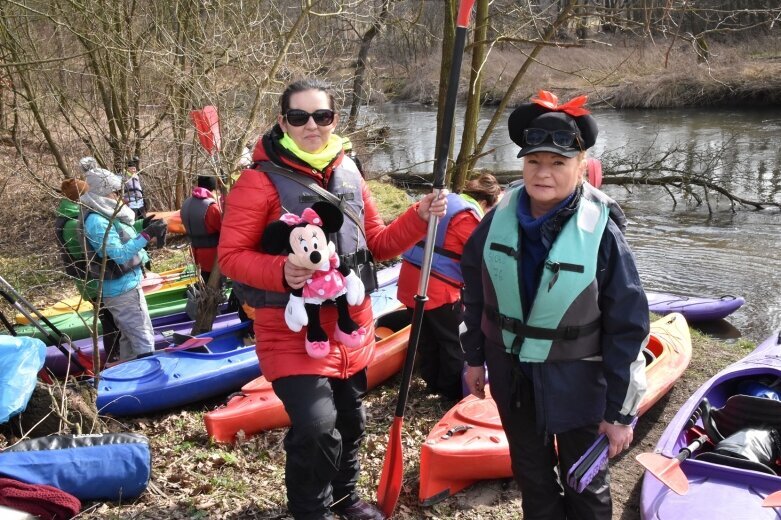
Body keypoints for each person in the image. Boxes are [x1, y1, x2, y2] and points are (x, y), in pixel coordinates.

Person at [218, 78, 447, 520]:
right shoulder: (257, 182)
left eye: (321, 116)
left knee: (351, 422)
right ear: (283, 121)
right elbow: (230, 257)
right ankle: (311, 510)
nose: (311, 125)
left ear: (334, 120)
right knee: (317, 425)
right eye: (299, 116)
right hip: (290, 331)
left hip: (350, 325)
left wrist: (417, 218)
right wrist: (280, 270)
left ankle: (344, 497)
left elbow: (377, 244)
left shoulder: (349, 172)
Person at [460, 90, 649, 520]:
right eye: (533, 162)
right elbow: (472, 292)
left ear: (581, 167)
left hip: (579, 385)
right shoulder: (497, 219)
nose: (543, 174)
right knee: (533, 480)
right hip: (512, 378)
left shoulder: (602, 234)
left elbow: (628, 326)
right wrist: (473, 360)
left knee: (585, 486)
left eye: (558, 164)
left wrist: (620, 412)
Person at [396, 173, 502, 401]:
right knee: (452, 341)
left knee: (426, 338)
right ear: (485, 202)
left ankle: (432, 383)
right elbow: (481, 256)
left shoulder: (441, 201)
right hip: (437, 290)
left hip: (408, 282)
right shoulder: (467, 217)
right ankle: (451, 392)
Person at [79, 167, 167, 362]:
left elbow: (120, 233)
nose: (118, 195)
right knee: (142, 337)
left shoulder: (102, 213)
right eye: (115, 191)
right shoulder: (96, 221)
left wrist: (143, 226)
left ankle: (130, 375)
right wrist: (147, 235)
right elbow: (118, 254)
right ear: (104, 192)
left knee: (128, 338)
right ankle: (149, 378)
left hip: (124, 286)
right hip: (122, 289)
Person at [53, 158, 121, 361]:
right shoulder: (74, 224)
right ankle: (113, 358)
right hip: (93, 281)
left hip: (89, 280)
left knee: (111, 320)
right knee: (111, 323)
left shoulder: (72, 217)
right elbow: (98, 249)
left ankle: (113, 356)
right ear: (80, 198)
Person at [181, 175, 252, 330]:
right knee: (216, 288)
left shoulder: (186, 203)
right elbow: (223, 229)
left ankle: (215, 313)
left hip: (196, 252)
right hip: (213, 255)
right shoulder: (210, 207)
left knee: (207, 284)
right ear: (212, 189)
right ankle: (217, 317)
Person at [124, 155, 146, 219]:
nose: (134, 170)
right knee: (134, 218)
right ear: (128, 169)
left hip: (140, 201)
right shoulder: (124, 177)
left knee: (143, 218)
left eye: (134, 168)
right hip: (131, 202)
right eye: (132, 168)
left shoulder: (137, 177)